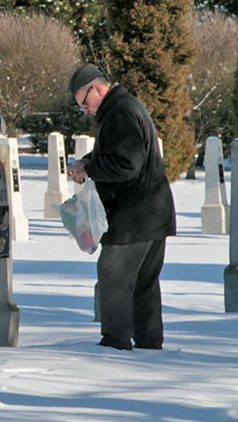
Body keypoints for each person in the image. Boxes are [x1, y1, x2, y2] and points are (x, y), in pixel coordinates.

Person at [66, 63, 176, 350]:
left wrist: (89, 170)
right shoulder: (121, 108)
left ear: (97, 88)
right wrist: (88, 162)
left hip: (135, 215)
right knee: (143, 283)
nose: (86, 110)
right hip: (152, 212)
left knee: (113, 273)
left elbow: (126, 164)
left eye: (84, 103)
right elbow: (115, 151)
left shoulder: (121, 112)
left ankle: (114, 342)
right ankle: (150, 344)